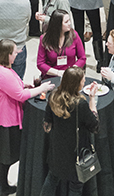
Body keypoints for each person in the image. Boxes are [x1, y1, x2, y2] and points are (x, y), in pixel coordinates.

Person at [0, 39, 53, 196]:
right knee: (5, 154)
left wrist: (23, 85)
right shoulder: (3, 74)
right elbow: (21, 96)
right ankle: (3, 186)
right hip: (5, 119)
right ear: (7, 55)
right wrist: (41, 88)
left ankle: (3, 185)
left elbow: (13, 86)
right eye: (15, 52)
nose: (17, 55)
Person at [39, 66, 99, 196]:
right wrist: (92, 99)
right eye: (83, 80)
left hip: (57, 150)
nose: (84, 82)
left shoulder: (53, 96)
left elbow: (47, 124)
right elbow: (94, 126)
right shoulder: (80, 104)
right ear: (76, 84)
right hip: (75, 153)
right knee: (75, 187)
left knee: (52, 179)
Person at [37, 9, 86, 77]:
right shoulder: (44, 39)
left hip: (70, 76)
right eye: (66, 22)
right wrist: (57, 72)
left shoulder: (74, 35)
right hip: (51, 76)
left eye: (69, 20)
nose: (69, 23)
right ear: (58, 24)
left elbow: (82, 58)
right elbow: (40, 63)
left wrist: (72, 70)